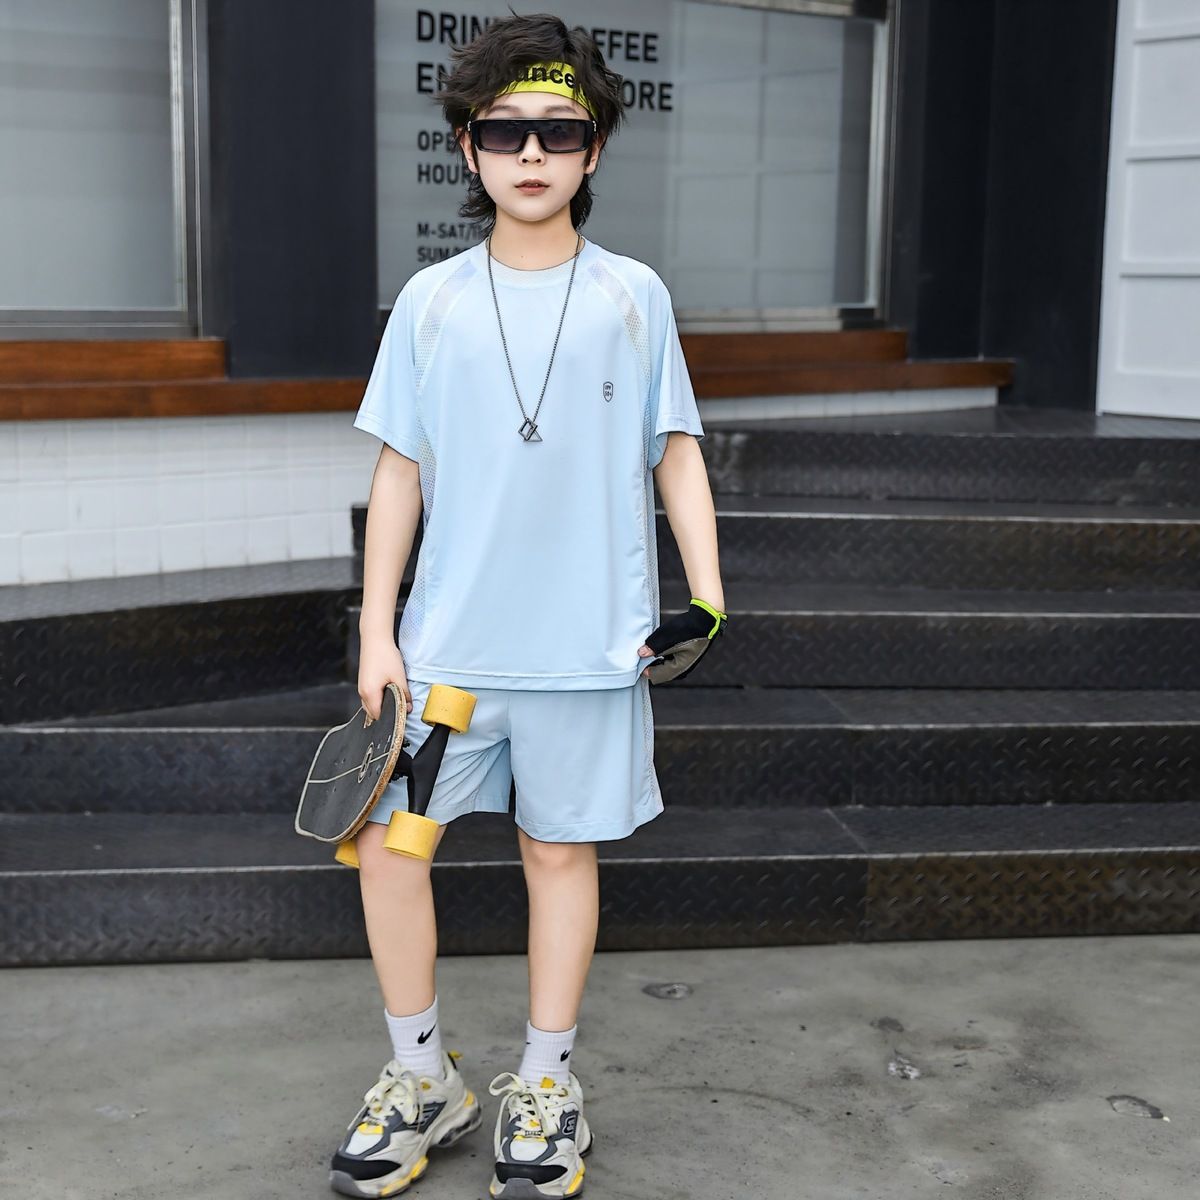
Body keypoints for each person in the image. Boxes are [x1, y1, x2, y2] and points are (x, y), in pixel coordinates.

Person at [330, 13, 727, 1199]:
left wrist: (705, 599)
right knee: (385, 848)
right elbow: (398, 471)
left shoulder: (633, 296)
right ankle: (423, 1077)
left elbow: (676, 450)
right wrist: (376, 628)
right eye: (506, 131)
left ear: (594, 148)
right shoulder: (432, 301)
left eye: (560, 130)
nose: (533, 153)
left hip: (590, 651)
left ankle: (546, 1087)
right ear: (468, 148)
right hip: (448, 653)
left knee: (559, 853)